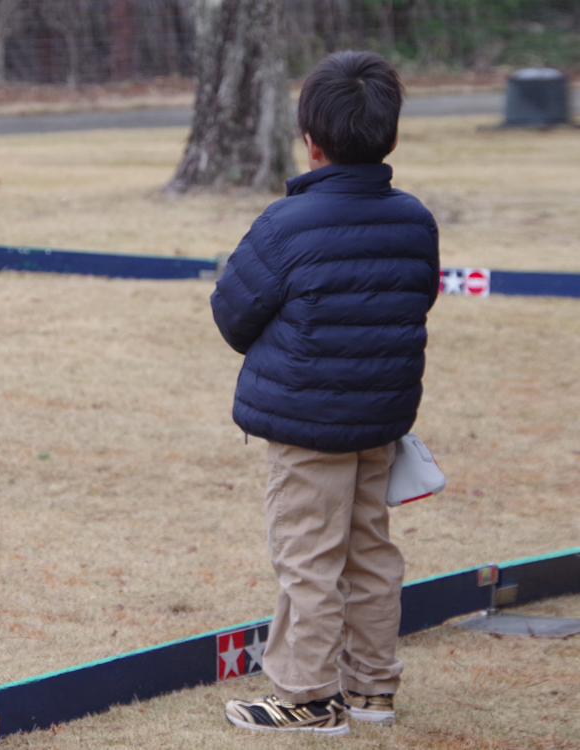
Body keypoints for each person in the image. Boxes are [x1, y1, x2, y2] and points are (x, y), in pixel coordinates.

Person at [211, 50, 439, 736]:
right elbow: (416, 299)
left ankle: (308, 696)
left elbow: (232, 313)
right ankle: (372, 689)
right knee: (370, 551)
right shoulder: (415, 220)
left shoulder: (286, 224)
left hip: (305, 422)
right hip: (381, 418)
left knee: (308, 556)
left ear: (310, 142)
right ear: (390, 137)